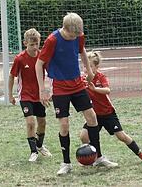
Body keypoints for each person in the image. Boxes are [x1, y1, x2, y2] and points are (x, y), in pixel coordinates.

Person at [35, 12, 107, 176]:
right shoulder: (52, 40)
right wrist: (42, 89)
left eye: (78, 34)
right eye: (73, 34)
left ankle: (98, 157)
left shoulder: (79, 36)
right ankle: (66, 163)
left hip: (78, 84)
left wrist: (89, 70)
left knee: (92, 117)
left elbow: (82, 51)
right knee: (64, 125)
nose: (76, 37)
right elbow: (39, 65)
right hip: (60, 87)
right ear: (65, 29)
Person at [79, 51, 142, 165]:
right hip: (94, 115)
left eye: (90, 66)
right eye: (84, 66)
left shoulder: (101, 77)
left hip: (107, 113)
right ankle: (95, 158)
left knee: (121, 136)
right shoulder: (82, 79)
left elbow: (107, 90)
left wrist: (95, 89)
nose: (86, 69)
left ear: (97, 67)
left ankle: (141, 154)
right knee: (84, 136)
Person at [8, 28, 52, 162]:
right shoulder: (20, 59)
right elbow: (11, 76)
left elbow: (50, 73)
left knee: (42, 122)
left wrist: (50, 91)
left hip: (39, 96)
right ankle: (33, 152)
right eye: (31, 44)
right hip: (25, 95)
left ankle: (39, 145)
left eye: (36, 44)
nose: (34, 47)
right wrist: (10, 95)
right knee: (30, 122)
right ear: (25, 43)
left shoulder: (42, 57)